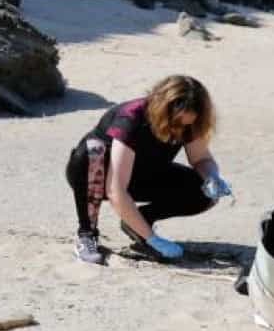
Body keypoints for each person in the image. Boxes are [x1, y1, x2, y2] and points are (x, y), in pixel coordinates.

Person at [64, 75, 230, 265]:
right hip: (96, 177)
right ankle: (87, 235)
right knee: (94, 150)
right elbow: (116, 190)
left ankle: (138, 223)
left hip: (143, 173)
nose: (179, 131)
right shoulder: (131, 117)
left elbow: (201, 158)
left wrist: (212, 177)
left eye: (186, 125)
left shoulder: (188, 122)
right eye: (176, 124)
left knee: (202, 191)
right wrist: (153, 239)